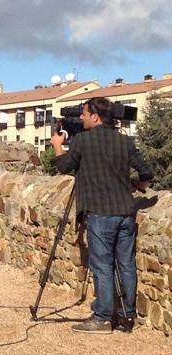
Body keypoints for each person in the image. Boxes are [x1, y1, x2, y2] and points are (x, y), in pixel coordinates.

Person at [51, 97, 153, 334]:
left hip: (100, 213)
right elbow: (147, 171)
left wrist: (57, 145)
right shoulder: (125, 141)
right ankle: (128, 315)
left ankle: (103, 317)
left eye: (84, 114)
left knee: (103, 266)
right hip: (126, 212)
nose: (81, 118)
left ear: (95, 116)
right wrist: (138, 183)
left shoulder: (83, 141)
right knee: (126, 263)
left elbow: (65, 167)